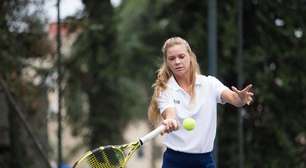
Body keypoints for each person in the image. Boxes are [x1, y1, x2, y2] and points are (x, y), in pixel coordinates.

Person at [147, 37, 254, 168]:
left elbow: (234, 99)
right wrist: (170, 121)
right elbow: (170, 114)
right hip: (175, 161)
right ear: (167, 62)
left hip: (204, 160)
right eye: (172, 58)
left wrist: (241, 99)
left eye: (181, 56)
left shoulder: (210, 83)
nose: (177, 62)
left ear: (190, 56)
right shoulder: (164, 90)